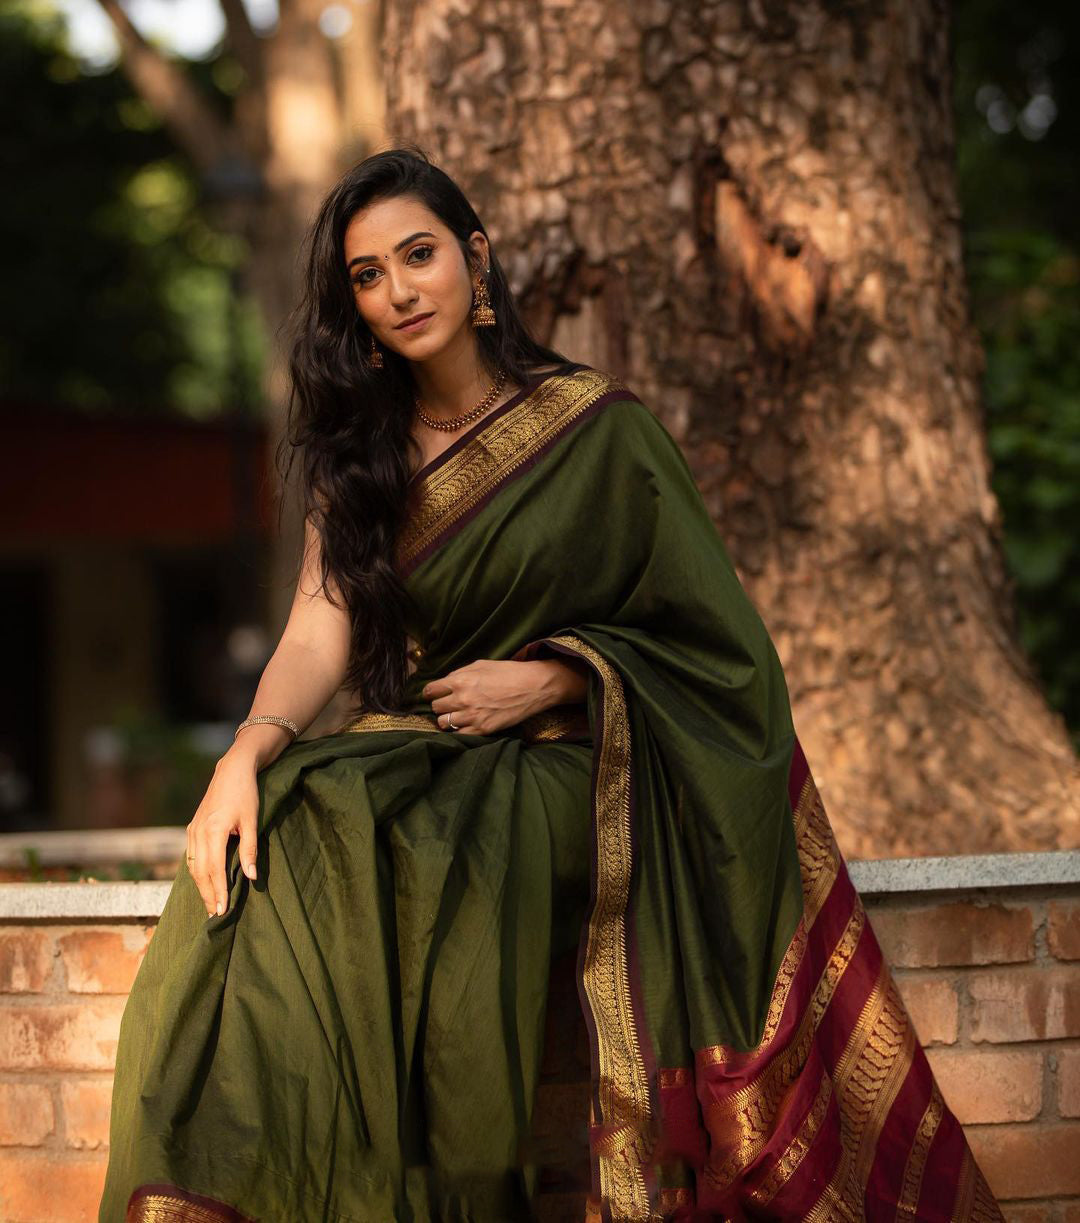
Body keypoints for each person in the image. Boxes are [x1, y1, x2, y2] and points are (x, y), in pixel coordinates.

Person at [99, 147, 1003, 1222]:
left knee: (390, 832)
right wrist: (247, 749)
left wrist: (553, 682)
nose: (399, 290)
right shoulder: (364, 452)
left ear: (476, 260)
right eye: (369, 275)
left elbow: (721, 652)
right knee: (295, 814)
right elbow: (319, 619)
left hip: (584, 766)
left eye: (419, 255)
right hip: (416, 752)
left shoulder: (596, 426)